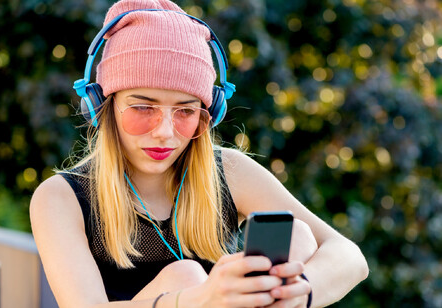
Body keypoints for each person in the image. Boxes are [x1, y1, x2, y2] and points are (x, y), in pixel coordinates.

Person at [30, 0, 369, 307]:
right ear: (103, 106)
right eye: (143, 107)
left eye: (185, 111)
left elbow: (349, 256)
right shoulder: (61, 198)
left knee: (298, 237)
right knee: (186, 275)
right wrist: (197, 297)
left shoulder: (228, 171)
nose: (164, 131)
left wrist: (302, 291)